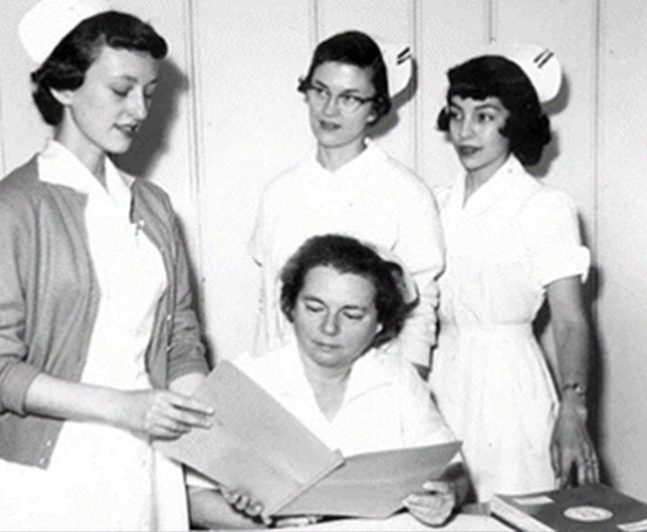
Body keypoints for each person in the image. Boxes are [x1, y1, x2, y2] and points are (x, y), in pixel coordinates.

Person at [0, 1, 212, 530]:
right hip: (56, 477)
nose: (140, 110)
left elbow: (181, 337)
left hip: (152, 466)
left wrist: (210, 431)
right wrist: (123, 408)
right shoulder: (9, 211)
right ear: (64, 87)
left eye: (149, 92)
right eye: (121, 90)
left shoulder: (155, 207)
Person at [189, 234, 469, 529]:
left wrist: (448, 494)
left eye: (351, 314)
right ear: (291, 306)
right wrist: (264, 523)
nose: (329, 327)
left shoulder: (396, 377)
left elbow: (455, 470)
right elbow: (195, 499)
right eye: (314, 307)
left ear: (379, 324)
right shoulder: (244, 381)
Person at [429, 43, 600, 502]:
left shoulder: (544, 207)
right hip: (441, 380)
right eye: (457, 114)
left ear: (514, 122)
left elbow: (570, 321)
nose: (465, 131)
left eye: (484, 116)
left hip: (510, 387)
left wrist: (573, 409)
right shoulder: (436, 204)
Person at [249, 31, 444, 377]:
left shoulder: (405, 193)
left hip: (371, 385)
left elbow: (420, 309)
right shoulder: (279, 192)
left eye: (350, 98)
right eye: (320, 91)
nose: (329, 109)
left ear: (375, 109)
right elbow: (269, 306)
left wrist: (407, 390)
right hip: (287, 384)